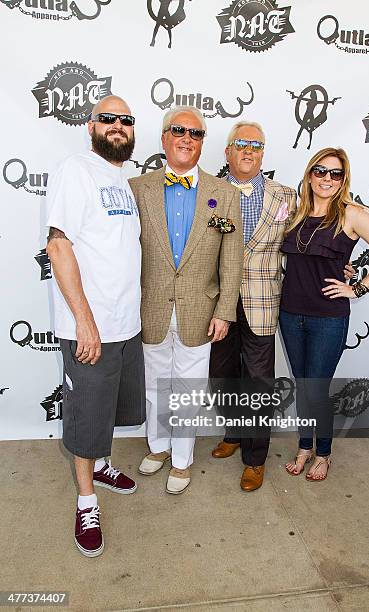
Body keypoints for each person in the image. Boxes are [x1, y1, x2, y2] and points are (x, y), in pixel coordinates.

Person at [46, 95, 145, 557]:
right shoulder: (75, 170)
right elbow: (59, 247)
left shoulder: (121, 178)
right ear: (91, 126)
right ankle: (86, 500)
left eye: (126, 121)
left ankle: (102, 465)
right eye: (109, 119)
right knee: (87, 419)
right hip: (92, 328)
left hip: (126, 326)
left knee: (108, 411)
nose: (118, 127)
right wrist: (84, 322)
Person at [129, 106, 243, 495]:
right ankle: (158, 447)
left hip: (201, 308)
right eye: (178, 130)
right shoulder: (136, 189)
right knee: (156, 384)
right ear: (164, 138)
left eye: (195, 134)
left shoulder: (223, 194)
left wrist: (226, 310)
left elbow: (232, 257)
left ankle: (181, 460)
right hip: (151, 306)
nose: (186, 139)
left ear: (202, 143)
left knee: (189, 387)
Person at [279, 147, 369, 480]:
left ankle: (324, 453)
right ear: (309, 174)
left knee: (317, 388)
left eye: (335, 173)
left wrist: (357, 287)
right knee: (304, 386)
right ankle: (305, 447)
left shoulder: (351, 214)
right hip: (289, 313)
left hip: (328, 317)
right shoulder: (296, 211)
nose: (327, 179)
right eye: (320, 171)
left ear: (343, 179)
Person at [209, 122, 297, 491]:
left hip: (263, 302)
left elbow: (307, 238)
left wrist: (338, 261)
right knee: (223, 377)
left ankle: (255, 458)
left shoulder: (287, 196)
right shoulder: (209, 192)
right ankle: (234, 431)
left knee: (259, 383)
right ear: (228, 151)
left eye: (256, 146)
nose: (249, 151)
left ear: (263, 154)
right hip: (217, 304)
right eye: (241, 144)